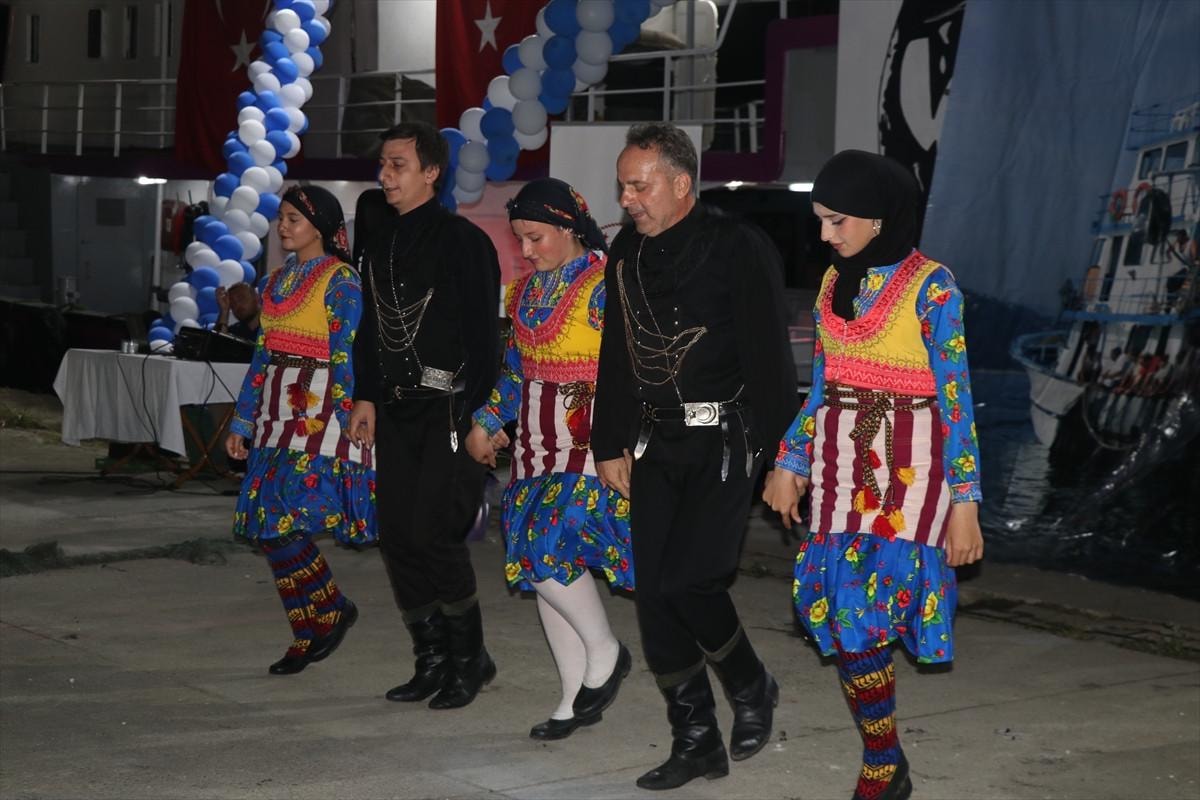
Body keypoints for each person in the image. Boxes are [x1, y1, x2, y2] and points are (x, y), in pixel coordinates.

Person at [762, 150, 985, 800]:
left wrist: (965, 503)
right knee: (844, 617)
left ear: (880, 218)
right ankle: (886, 757)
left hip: (909, 483)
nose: (825, 235)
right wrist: (791, 459)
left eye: (838, 221)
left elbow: (957, 400)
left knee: (861, 616)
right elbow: (823, 386)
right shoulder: (835, 284)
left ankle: (882, 766)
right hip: (839, 475)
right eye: (821, 220)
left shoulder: (934, 288)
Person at [591, 123, 798, 790]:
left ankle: (750, 683)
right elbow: (617, 352)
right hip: (655, 442)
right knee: (654, 595)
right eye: (623, 186)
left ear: (681, 184)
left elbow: (771, 359)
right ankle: (696, 739)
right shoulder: (625, 251)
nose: (626, 199)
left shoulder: (738, 246)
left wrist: (785, 458)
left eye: (638, 186)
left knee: (690, 581)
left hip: (726, 441)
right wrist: (607, 440)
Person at [464, 178, 635, 741]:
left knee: (545, 545)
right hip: (535, 446)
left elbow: (634, 369)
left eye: (535, 237)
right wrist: (487, 421)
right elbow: (514, 371)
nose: (526, 250)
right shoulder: (523, 294)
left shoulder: (607, 284)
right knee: (541, 565)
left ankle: (606, 650)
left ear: (568, 228)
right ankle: (572, 695)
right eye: (520, 240)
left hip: (590, 441)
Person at [347, 121, 501, 710]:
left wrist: (481, 419)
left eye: (398, 165)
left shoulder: (464, 241)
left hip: (450, 410)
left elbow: (485, 342)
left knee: (436, 536)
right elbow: (368, 329)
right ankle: (431, 659)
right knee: (397, 537)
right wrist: (365, 394)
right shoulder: (379, 242)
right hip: (395, 410)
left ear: (432, 172)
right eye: (383, 165)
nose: (385, 176)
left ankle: (470, 659)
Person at [225, 184, 375, 676]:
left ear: (321, 226)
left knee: (280, 520)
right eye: (282, 218)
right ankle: (310, 624)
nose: (283, 227)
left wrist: (349, 416)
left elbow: (346, 352)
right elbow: (261, 358)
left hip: (320, 414)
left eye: (294, 218)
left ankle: (327, 611)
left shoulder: (342, 281)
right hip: (274, 414)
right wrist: (243, 420)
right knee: (266, 526)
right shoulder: (274, 283)